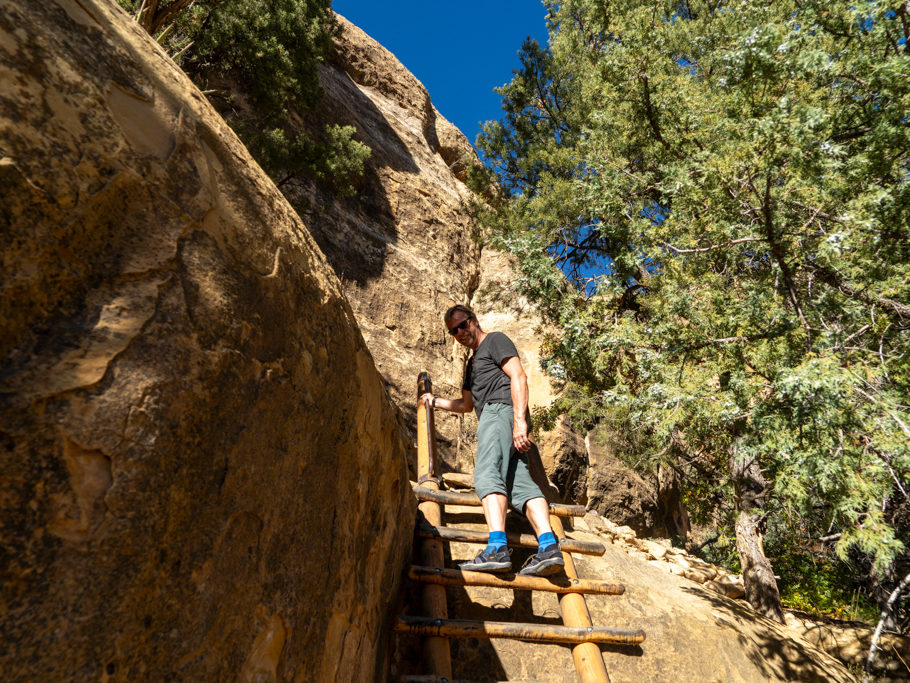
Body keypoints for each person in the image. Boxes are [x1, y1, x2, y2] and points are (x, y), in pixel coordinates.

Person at [420, 305, 564, 577]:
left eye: (462, 325)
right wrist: (435, 401)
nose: (460, 332)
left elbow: (519, 376)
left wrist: (520, 421)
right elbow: (465, 404)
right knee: (520, 486)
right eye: (453, 331)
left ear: (473, 320)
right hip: (496, 415)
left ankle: (497, 548)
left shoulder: (495, 340)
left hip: (500, 412)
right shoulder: (472, 365)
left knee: (486, 475)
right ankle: (548, 548)